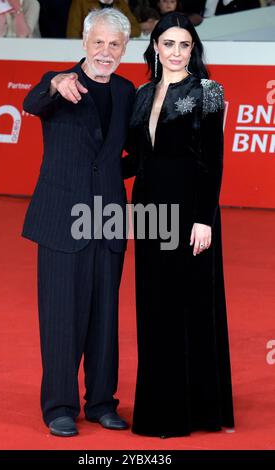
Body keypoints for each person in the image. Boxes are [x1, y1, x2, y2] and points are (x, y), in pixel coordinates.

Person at [22, 8, 135, 437]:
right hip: (59, 218)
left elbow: (132, 153)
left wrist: (109, 175)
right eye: (99, 42)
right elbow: (30, 103)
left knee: (105, 317)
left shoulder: (127, 91)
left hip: (107, 218)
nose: (106, 52)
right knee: (60, 317)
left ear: (125, 49)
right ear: (85, 43)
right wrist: (54, 84)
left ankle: (103, 402)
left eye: (115, 44)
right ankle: (59, 406)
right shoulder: (58, 81)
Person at [122, 12, 235, 437]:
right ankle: (158, 406)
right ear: (154, 47)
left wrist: (204, 220)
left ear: (193, 49)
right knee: (154, 306)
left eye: (183, 44)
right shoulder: (141, 92)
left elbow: (213, 161)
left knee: (188, 305)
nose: (174, 52)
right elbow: (137, 159)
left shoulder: (207, 91)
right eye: (167, 43)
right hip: (149, 212)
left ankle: (196, 409)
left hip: (190, 215)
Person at [67, 0, 141, 38]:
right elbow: (73, 33)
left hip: (113, 49)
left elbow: (136, 30)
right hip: (87, 50)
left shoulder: (121, 4)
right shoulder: (81, 2)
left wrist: (115, 30)